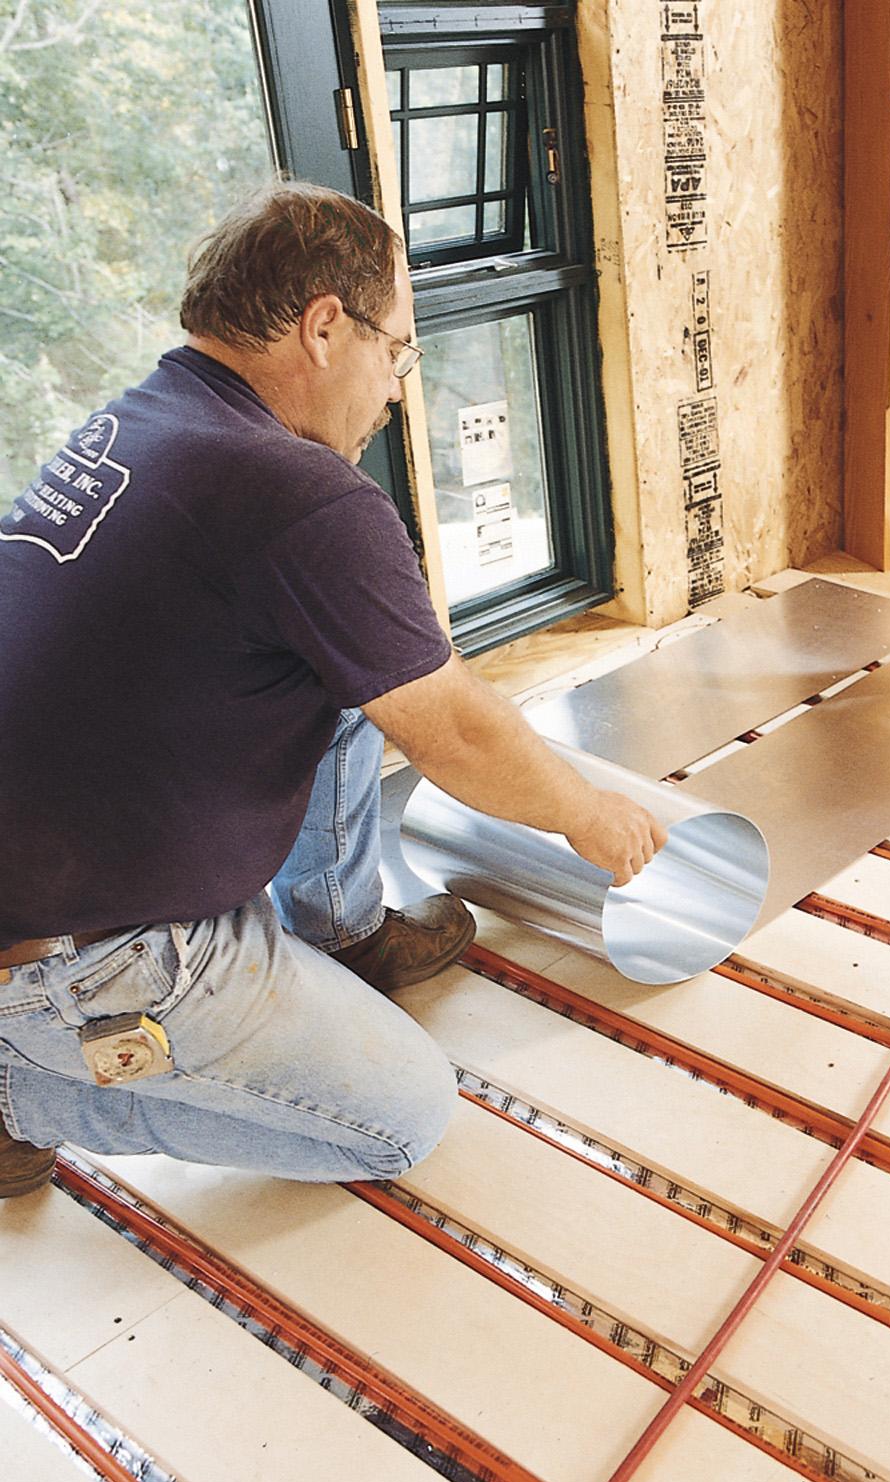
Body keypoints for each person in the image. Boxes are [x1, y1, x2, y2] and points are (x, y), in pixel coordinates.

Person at [0, 182, 666, 1199]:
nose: (398, 389)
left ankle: (340, 930)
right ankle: (21, 1096)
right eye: (397, 352)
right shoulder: (300, 494)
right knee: (399, 1118)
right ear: (324, 326)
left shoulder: (140, 422)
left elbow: (400, 683)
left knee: (354, 672)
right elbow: (456, 731)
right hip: (93, 959)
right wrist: (588, 813)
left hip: (54, 878)